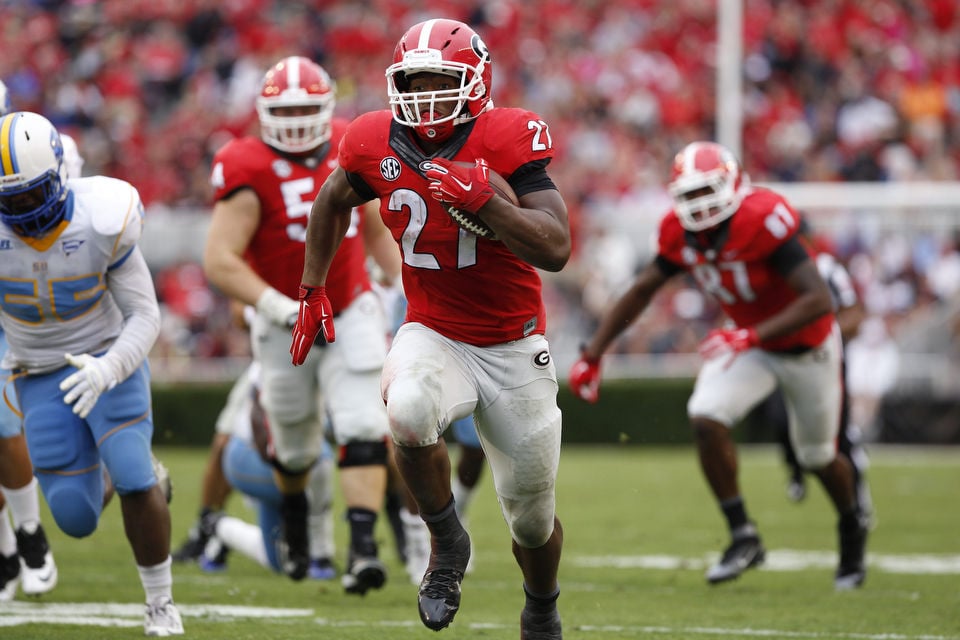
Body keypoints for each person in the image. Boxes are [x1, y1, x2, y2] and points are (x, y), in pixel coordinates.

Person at [292, 18, 569, 638]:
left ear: (474, 82)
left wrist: (488, 203)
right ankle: (446, 542)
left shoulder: (507, 137)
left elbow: (556, 248)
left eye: (439, 82)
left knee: (530, 519)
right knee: (408, 408)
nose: (425, 97)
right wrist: (312, 288)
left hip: (515, 344)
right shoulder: (373, 139)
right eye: (413, 82)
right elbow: (332, 200)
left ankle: (542, 603)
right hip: (434, 331)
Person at [569, 141, 869, 591]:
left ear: (732, 183)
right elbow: (642, 290)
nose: (698, 204)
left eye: (706, 190)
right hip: (747, 340)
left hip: (807, 346)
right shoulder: (678, 231)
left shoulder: (761, 217)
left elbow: (818, 300)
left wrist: (752, 333)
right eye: (688, 195)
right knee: (706, 416)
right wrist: (593, 352)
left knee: (818, 456)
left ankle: (852, 525)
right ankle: (743, 535)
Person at [203, 56, 400, 594]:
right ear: (264, 111)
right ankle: (294, 519)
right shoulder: (244, 163)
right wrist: (274, 305)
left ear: (328, 108)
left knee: (363, 423)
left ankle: (363, 549)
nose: (294, 119)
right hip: (283, 320)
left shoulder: (353, 142)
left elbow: (376, 222)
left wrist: (397, 275)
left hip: (349, 305)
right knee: (292, 443)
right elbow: (220, 258)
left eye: (305, 108)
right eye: (284, 109)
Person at [0, 111, 182, 634]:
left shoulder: (102, 216)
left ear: (60, 175)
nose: (23, 209)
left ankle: (160, 603)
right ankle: (119, 471)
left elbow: (146, 315)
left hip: (108, 358)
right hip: (37, 373)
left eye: (32, 194)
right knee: (75, 521)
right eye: (9, 200)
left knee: (132, 476)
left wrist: (108, 370)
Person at [754, 219, 873, 522]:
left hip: (825, 360)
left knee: (840, 437)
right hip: (786, 359)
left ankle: (857, 504)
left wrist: (821, 332)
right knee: (780, 418)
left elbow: (855, 315)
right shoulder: (772, 272)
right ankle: (795, 471)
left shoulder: (828, 268)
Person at [196, 361, 337, 576]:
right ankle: (320, 554)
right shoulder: (275, 358)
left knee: (280, 562)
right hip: (254, 456)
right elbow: (255, 423)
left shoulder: (332, 360)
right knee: (319, 459)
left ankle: (220, 528)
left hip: (288, 456)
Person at [0, 82, 58, 603]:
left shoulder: (32, 152)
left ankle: (29, 533)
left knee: (2, 420)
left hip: (22, 298)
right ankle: (5, 547)